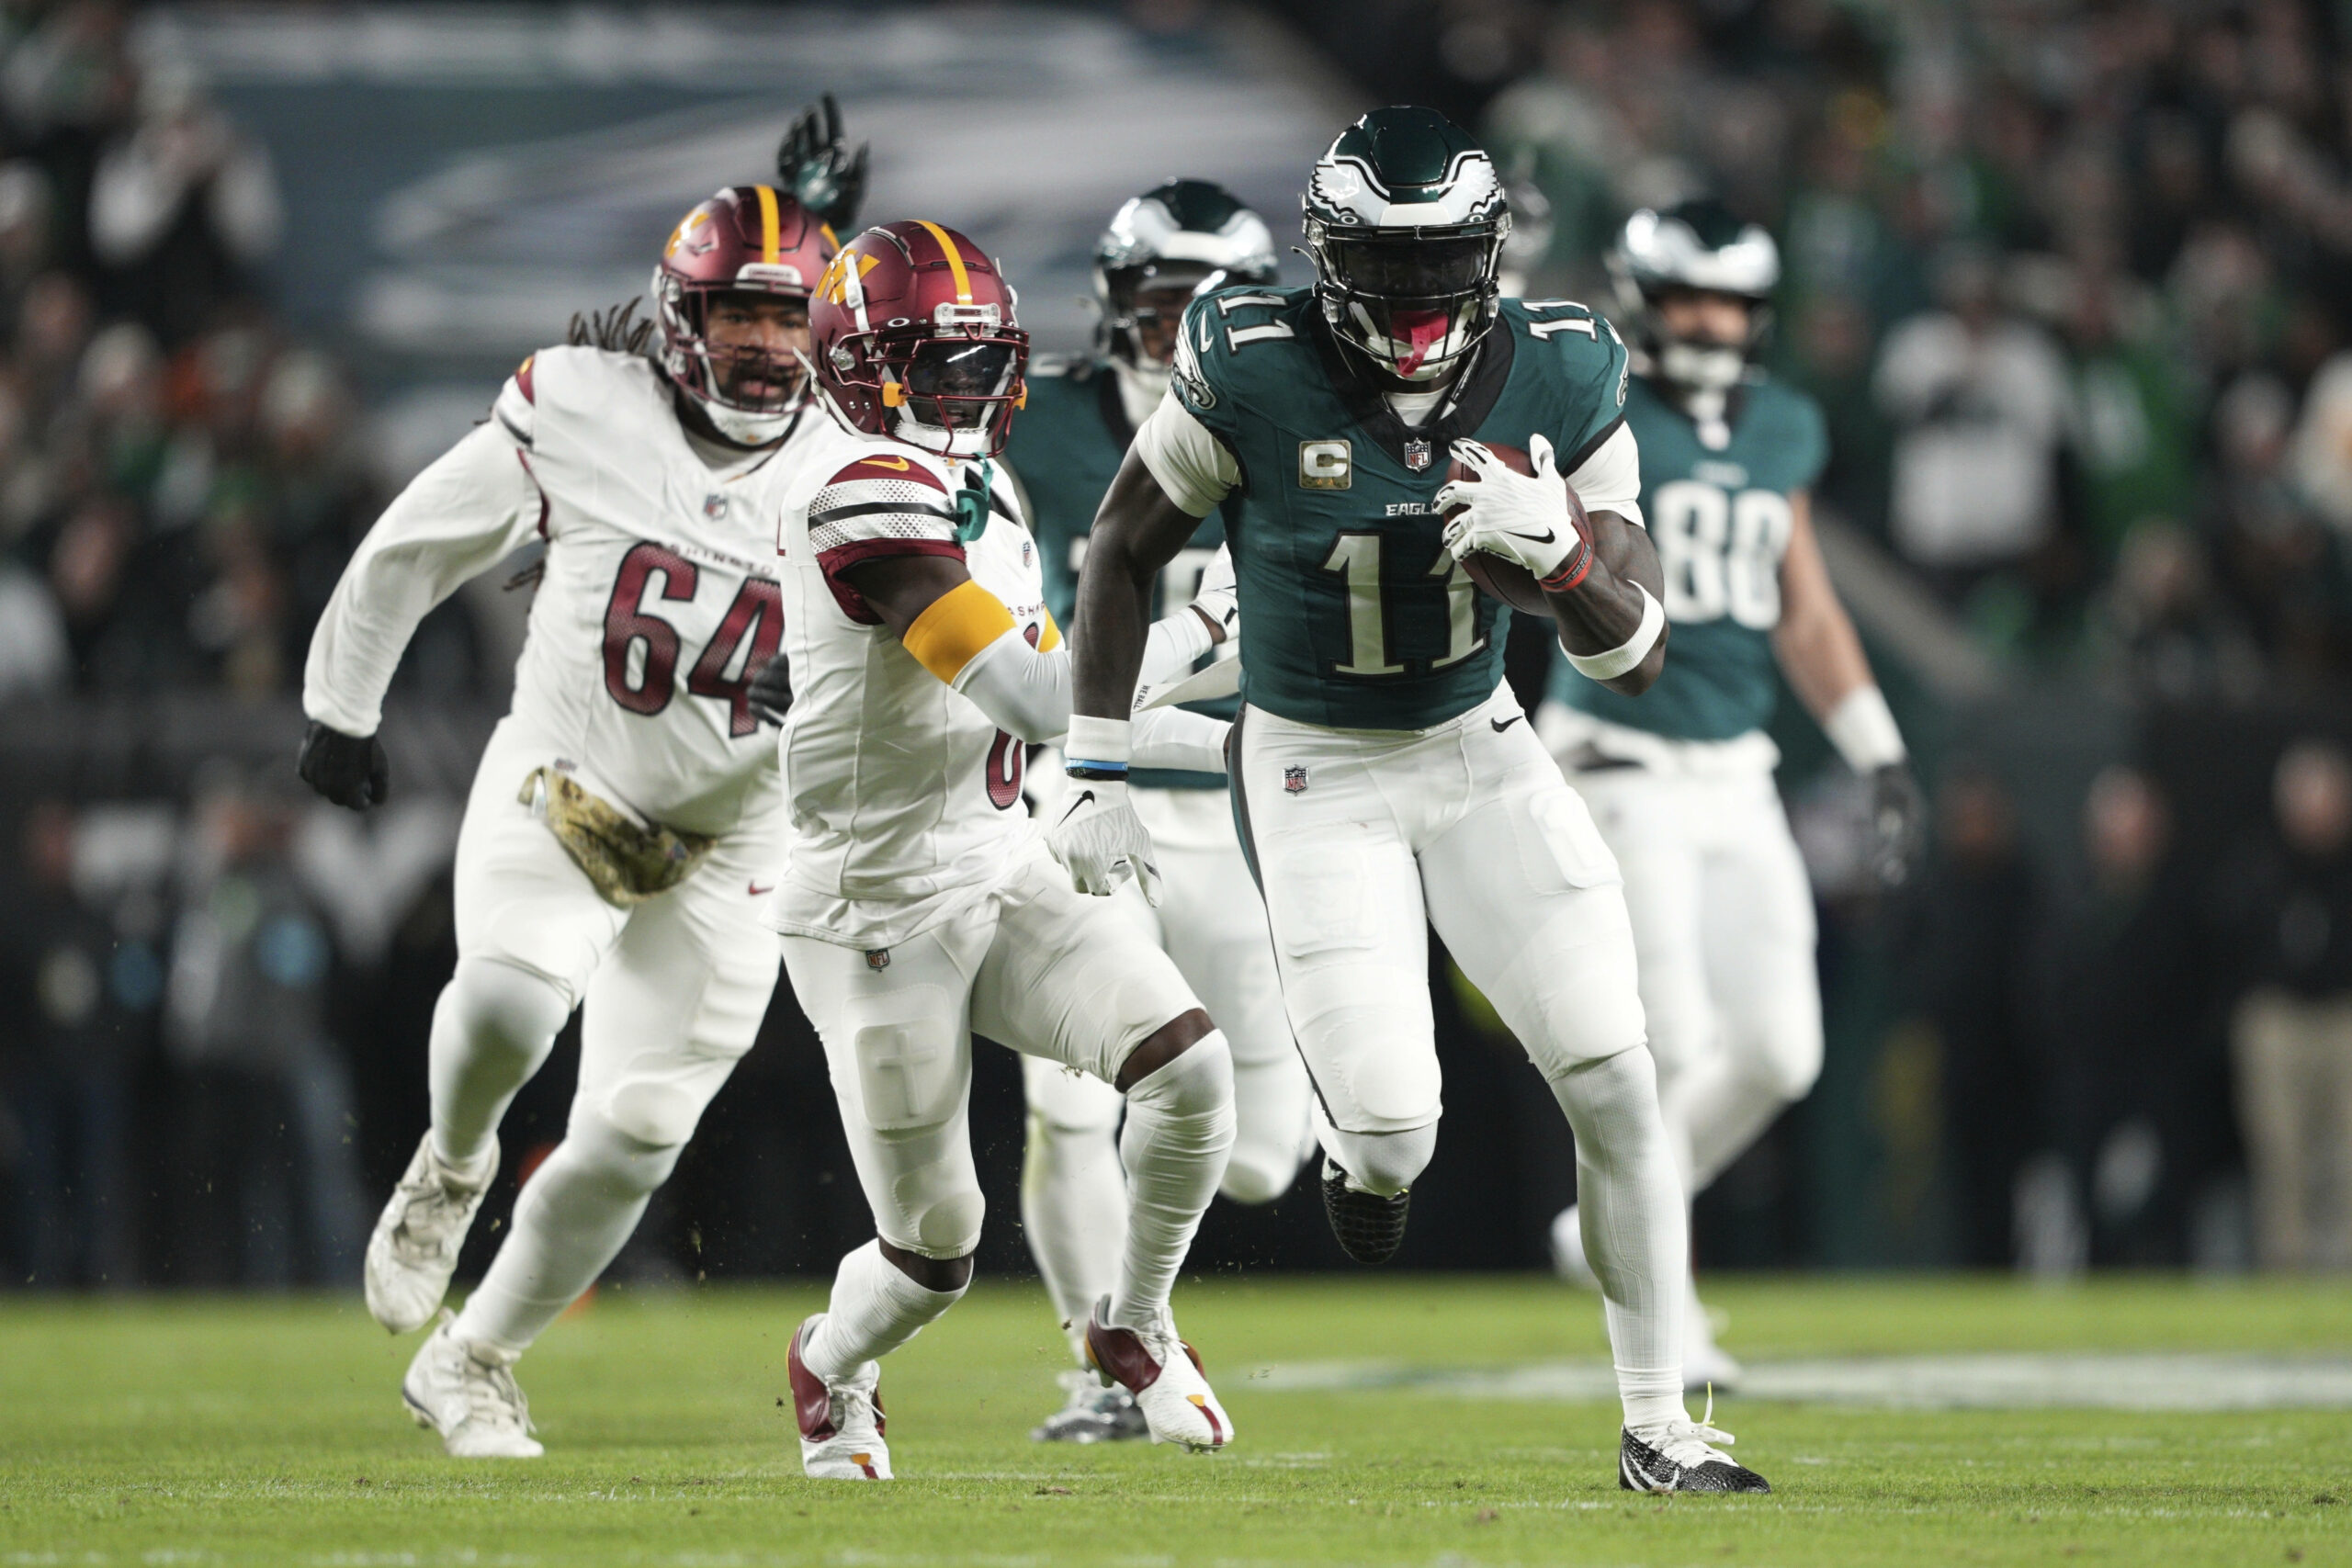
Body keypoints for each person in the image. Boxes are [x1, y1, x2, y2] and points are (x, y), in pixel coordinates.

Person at [1054, 107, 1768, 1494]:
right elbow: (1121, 551)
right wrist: (1091, 760)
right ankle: (1358, 1164)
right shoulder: (1250, 363)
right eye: (1386, 261)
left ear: (1491, 252)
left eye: (1443, 260)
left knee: (1619, 1083)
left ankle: (1658, 1427)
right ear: (1328, 256)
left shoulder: (1563, 366)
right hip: (1317, 764)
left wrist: (1564, 563)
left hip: (1479, 746)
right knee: (1393, 1140)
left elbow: (1637, 652)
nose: (1418, 295)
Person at [299, 110, 865, 1458]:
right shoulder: (584, 407)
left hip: (735, 840)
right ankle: (451, 1158)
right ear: (677, 319)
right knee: (504, 1004)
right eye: (738, 314)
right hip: (569, 781)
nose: (769, 346)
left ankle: (475, 1359)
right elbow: (407, 550)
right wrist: (341, 705)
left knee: (636, 1132)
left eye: (791, 320)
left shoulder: (863, 453)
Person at [773, 219, 1242, 1481]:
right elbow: (1040, 702)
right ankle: (831, 1357)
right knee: (934, 1256)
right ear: (864, 368)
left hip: (996, 858)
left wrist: (1236, 747)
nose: (973, 392)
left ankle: (1129, 1320)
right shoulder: (864, 487)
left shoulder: (997, 486)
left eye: (988, 364)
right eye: (940, 364)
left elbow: (1066, 711)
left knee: (1190, 1071)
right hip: (874, 909)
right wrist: (1204, 648)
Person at [1540, 200, 1924, 1388]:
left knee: (1780, 1052)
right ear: (1645, 300)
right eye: (1691, 298)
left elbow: (1804, 606)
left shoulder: (1786, 428)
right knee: (1673, 1043)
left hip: (1738, 771)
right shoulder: (1601, 411)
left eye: (1731, 304)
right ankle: (1670, 1315)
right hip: (1621, 758)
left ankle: (1596, 1226)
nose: (1710, 322)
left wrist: (1879, 748)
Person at [1001, 178, 1313, 1444]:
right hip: (1085, 786)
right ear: (1115, 306)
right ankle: (1105, 1360)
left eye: (1209, 305)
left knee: (1262, 1155)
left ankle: (1137, 1280)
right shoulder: (1037, 426)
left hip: (1242, 800)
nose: (1179, 326)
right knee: (1067, 1101)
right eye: (1160, 301)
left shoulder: (1295, 426)